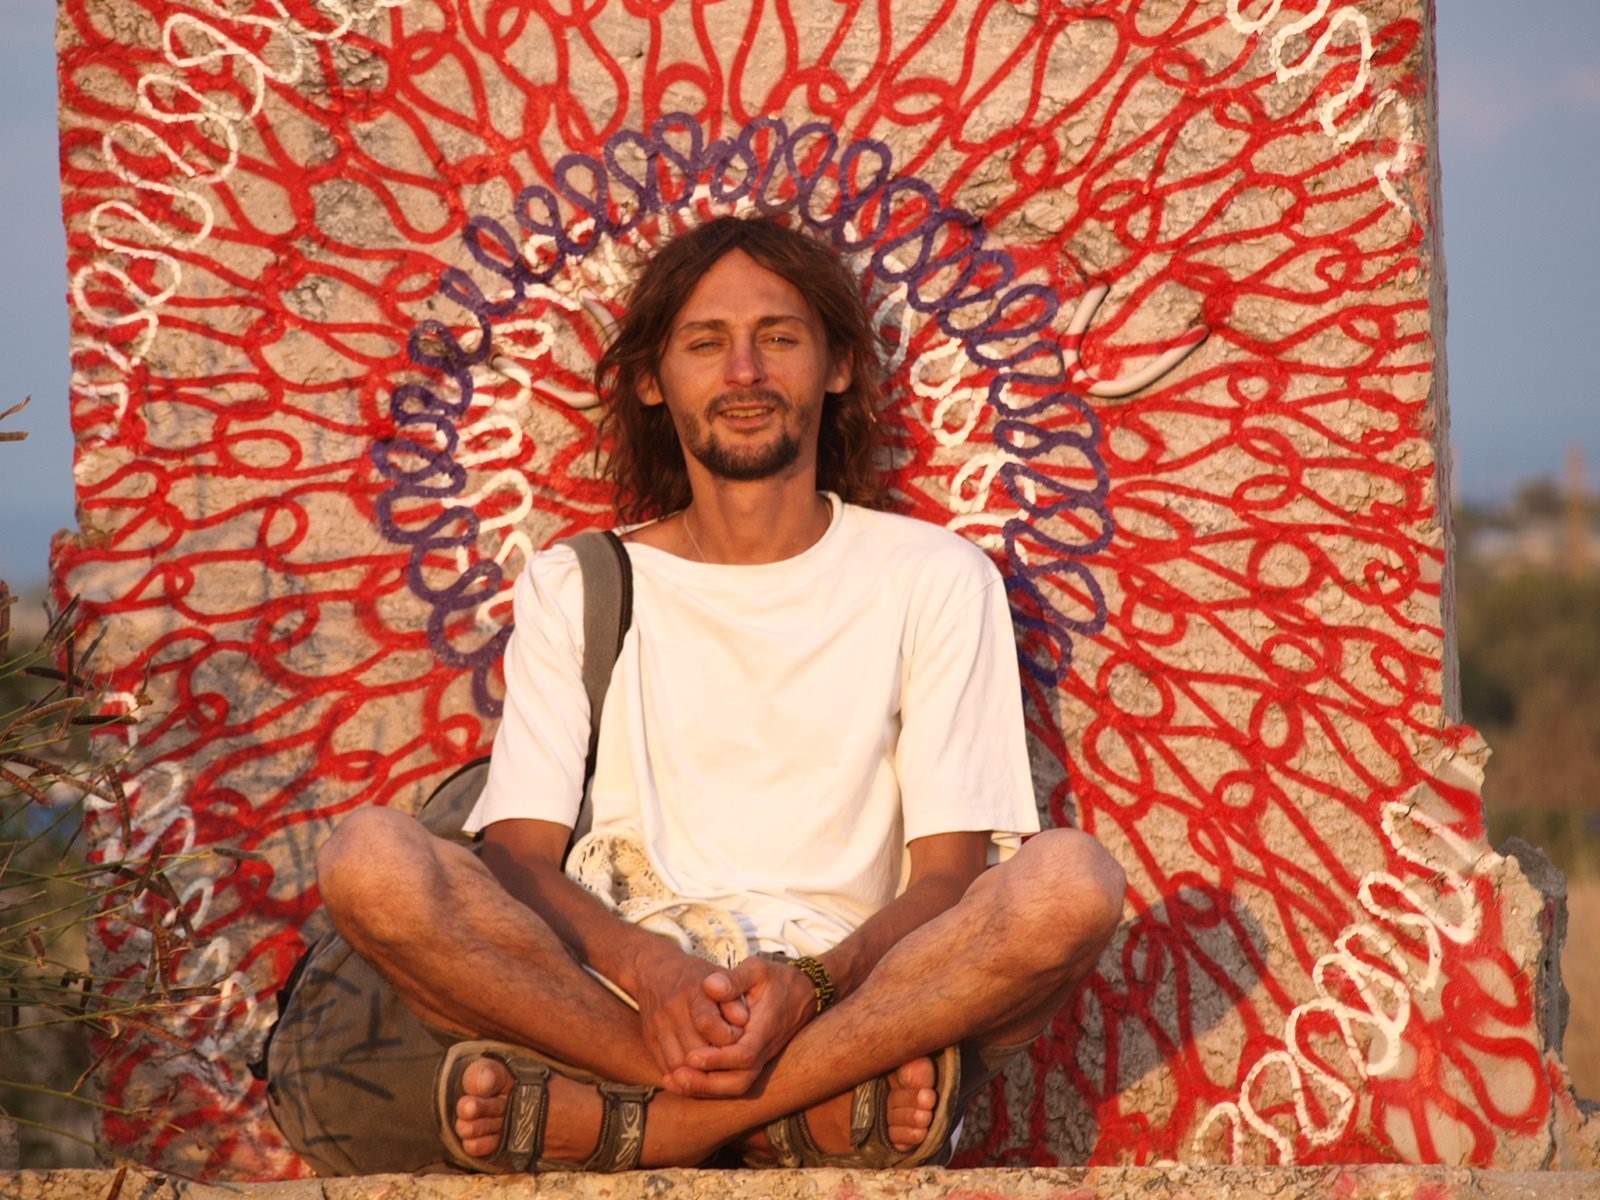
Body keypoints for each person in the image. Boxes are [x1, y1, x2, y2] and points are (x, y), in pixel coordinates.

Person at [288, 215, 1126, 1173]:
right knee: (371, 860)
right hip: (616, 1001)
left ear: (838, 367)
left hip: (854, 1003)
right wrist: (656, 974)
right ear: (653, 381)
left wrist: (812, 985)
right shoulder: (577, 583)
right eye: (704, 343)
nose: (744, 372)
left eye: (778, 337)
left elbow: (946, 878)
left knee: (1072, 885)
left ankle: (639, 1128)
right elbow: (519, 860)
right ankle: (789, 1115)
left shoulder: (934, 575)